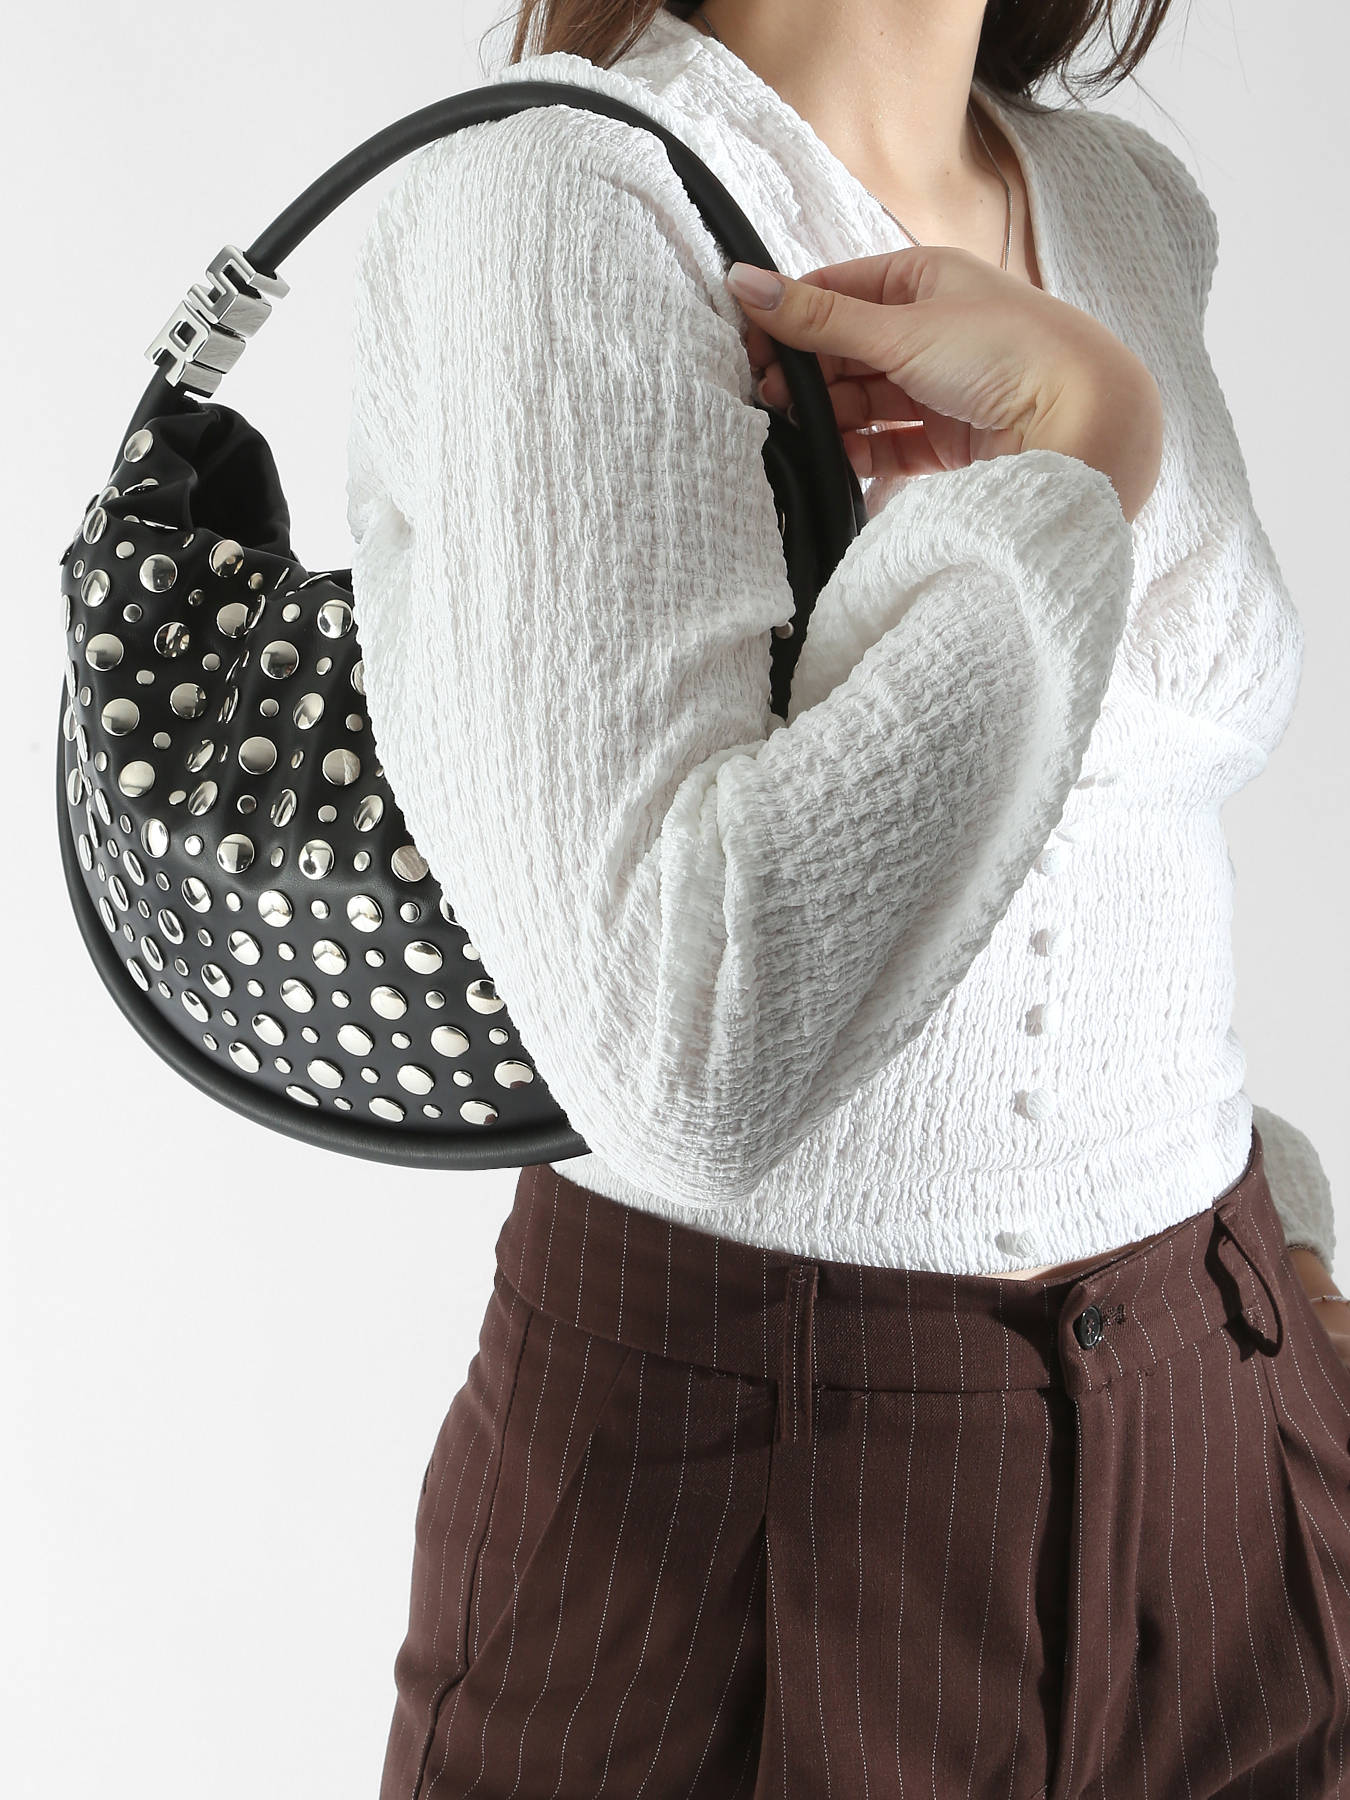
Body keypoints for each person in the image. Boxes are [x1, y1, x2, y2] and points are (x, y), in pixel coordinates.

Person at [345, 2, 1348, 1793]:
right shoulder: (559, 194)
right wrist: (1078, 465)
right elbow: (686, 1044)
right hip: (740, 1513)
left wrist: (1275, 1251)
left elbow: (1126, 814)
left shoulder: (1123, 204)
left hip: (1227, 1442)